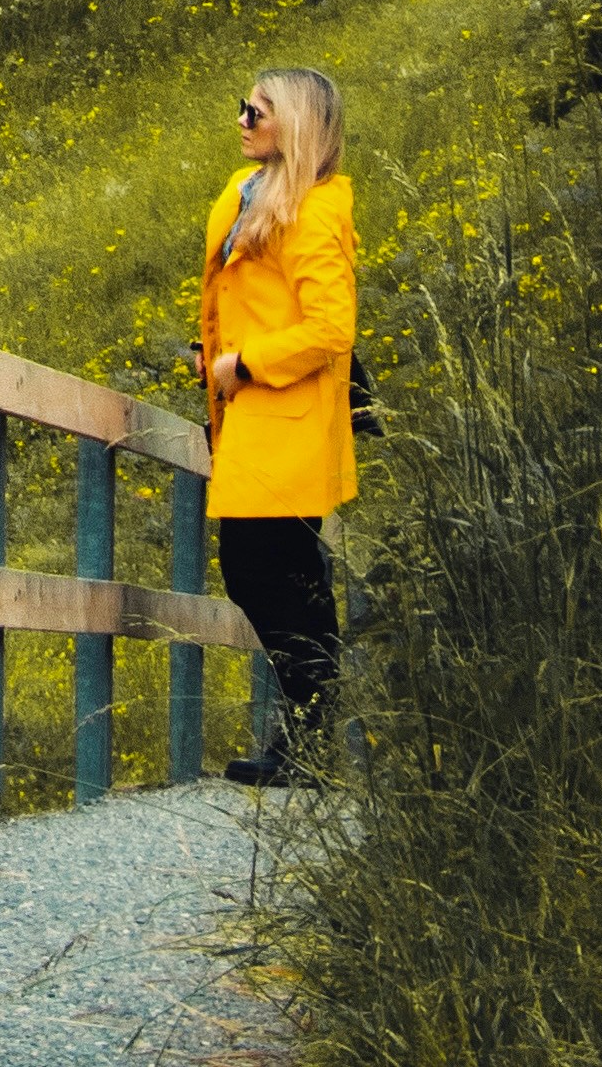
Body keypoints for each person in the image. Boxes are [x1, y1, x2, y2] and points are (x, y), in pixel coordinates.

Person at [200, 63, 356, 786]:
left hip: (284, 416)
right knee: (273, 573)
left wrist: (247, 363)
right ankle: (312, 733)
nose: (241, 120)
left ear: (293, 124)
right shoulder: (246, 194)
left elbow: (331, 328)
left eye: (256, 111)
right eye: (243, 108)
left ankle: (313, 731)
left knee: (263, 571)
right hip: (252, 417)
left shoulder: (316, 207)